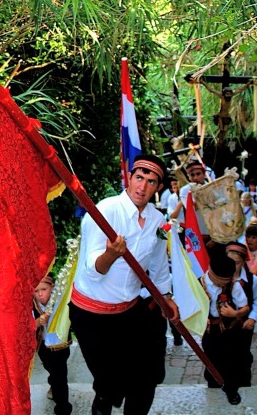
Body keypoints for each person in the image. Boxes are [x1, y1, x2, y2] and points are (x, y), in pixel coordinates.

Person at [69, 154, 179, 415]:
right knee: (108, 384)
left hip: (128, 311)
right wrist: (111, 255)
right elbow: (93, 270)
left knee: (145, 375)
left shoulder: (156, 219)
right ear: (129, 177)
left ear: (158, 187)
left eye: (151, 181)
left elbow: (158, 263)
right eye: (139, 178)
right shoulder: (104, 212)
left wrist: (166, 296)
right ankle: (103, 401)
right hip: (90, 315)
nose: (142, 187)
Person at [201, 249, 249, 405]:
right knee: (211, 360)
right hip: (209, 330)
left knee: (231, 360)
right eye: (221, 281)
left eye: (226, 281)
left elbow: (245, 308)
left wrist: (234, 313)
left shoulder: (233, 285)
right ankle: (214, 386)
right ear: (211, 273)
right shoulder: (198, 284)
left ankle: (231, 389)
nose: (224, 284)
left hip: (229, 330)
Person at [225, 241, 257, 387]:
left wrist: (253, 318)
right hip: (224, 325)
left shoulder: (251, 280)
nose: (233, 267)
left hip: (244, 325)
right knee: (226, 354)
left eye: (237, 263)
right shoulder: (220, 278)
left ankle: (243, 382)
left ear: (243, 262)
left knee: (243, 355)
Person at [33, 276, 73, 415]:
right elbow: (25, 326)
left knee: (60, 377)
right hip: (43, 348)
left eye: (44, 289)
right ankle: (53, 382)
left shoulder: (61, 300)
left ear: (52, 288)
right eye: (36, 291)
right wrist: (38, 322)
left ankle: (63, 408)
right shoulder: (32, 304)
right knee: (51, 370)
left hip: (61, 346)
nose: (40, 294)